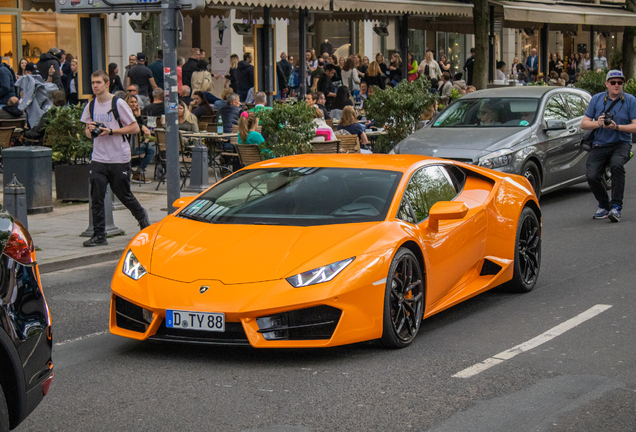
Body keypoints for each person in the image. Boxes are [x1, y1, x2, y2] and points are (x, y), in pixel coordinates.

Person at [81, 70, 149, 246]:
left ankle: (143, 220)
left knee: (124, 195)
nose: (95, 85)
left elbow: (134, 128)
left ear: (106, 84)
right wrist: (91, 130)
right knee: (96, 197)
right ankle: (99, 235)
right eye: (93, 82)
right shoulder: (90, 106)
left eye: (98, 82)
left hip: (119, 157)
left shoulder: (118, 103)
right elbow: (87, 133)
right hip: (99, 158)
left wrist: (111, 131)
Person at [581, 70, 636, 222]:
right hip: (600, 143)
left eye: (620, 82)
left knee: (617, 166)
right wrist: (597, 123)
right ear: (607, 84)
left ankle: (616, 207)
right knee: (591, 176)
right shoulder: (597, 99)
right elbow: (584, 124)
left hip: (621, 142)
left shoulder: (630, 100)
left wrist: (616, 127)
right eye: (613, 82)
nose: (617, 85)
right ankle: (605, 206)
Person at [124, 94, 156, 183]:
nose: (134, 104)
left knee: (151, 149)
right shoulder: (125, 114)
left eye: (135, 102)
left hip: (134, 144)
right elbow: (130, 125)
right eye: (131, 102)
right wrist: (141, 126)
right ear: (127, 103)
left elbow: (142, 132)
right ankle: (137, 172)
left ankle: (137, 172)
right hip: (128, 145)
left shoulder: (134, 115)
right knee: (151, 150)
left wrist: (138, 116)